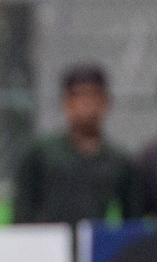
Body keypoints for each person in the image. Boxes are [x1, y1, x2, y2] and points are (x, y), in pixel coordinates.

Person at [12, 64, 142, 225]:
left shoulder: (119, 161)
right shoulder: (41, 155)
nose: (86, 104)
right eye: (78, 97)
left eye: (93, 96)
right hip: (48, 244)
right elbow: (22, 212)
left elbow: (131, 219)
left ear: (105, 102)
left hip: (94, 244)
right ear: (66, 103)